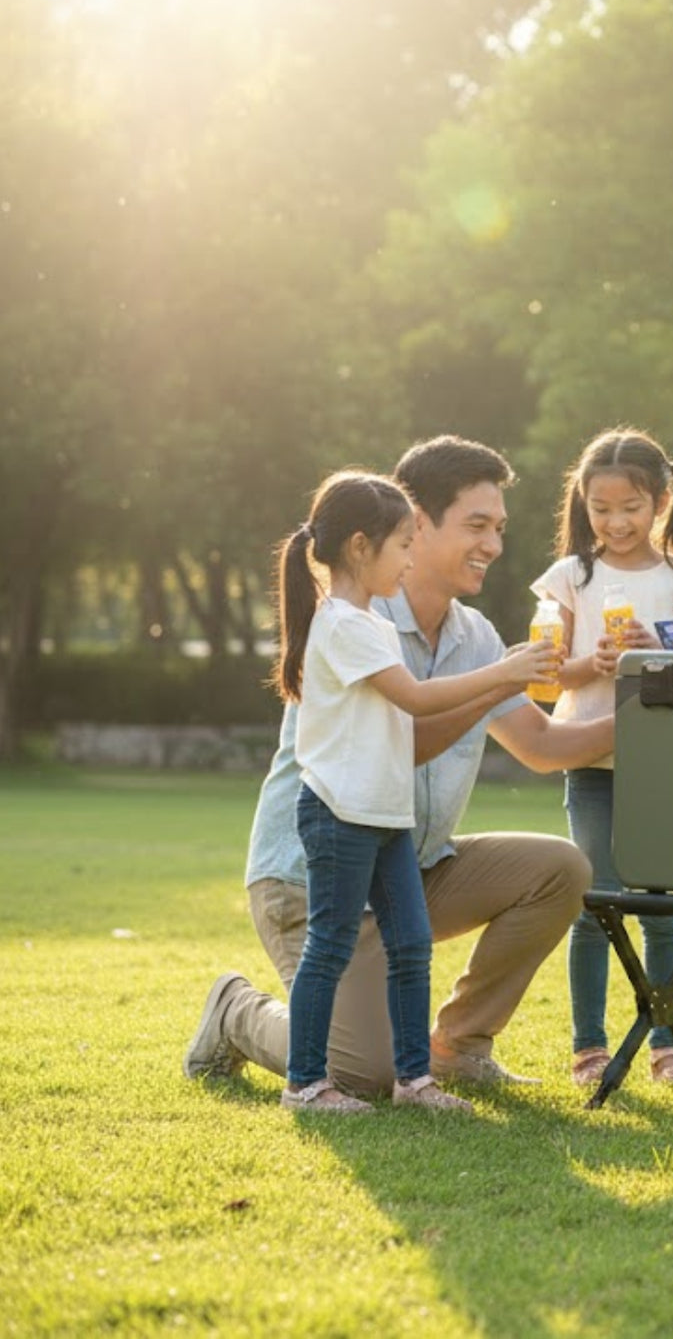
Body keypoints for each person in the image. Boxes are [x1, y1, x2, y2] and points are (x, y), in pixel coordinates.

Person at [184, 437, 615, 1104]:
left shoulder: (473, 634)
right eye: (477, 525)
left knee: (558, 869)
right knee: (361, 1074)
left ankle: (458, 1048)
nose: (493, 546)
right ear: (414, 521)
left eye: (499, 528)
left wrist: (646, 715)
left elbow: (541, 746)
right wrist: (495, 681)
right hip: (314, 878)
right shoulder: (354, 620)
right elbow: (400, 740)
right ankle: (236, 1012)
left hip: (409, 867)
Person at [271, 470, 558, 1113]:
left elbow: (410, 724)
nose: (410, 557)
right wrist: (504, 673)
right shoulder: (342, 624)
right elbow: (416, 699)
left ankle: (414, 1080)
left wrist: (505, 675)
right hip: (339, 814)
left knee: (411, 943)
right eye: (403, 544)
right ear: (358, 547)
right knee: (331, 946)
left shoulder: (367, 622)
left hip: (383, 813)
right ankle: (305, 1086)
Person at [531, 428, 673, 1087]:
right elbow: (545, 675)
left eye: (630, 508)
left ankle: (667, 1043)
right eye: (600, 508)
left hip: (665, 767)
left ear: (661, 500)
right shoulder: (571, 577)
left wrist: (659, 653)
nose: (615, 522)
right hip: (591, 763)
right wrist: (595, 661)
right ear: (582, 503)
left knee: (663, 910)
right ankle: (590, 1046)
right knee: (594, 902)